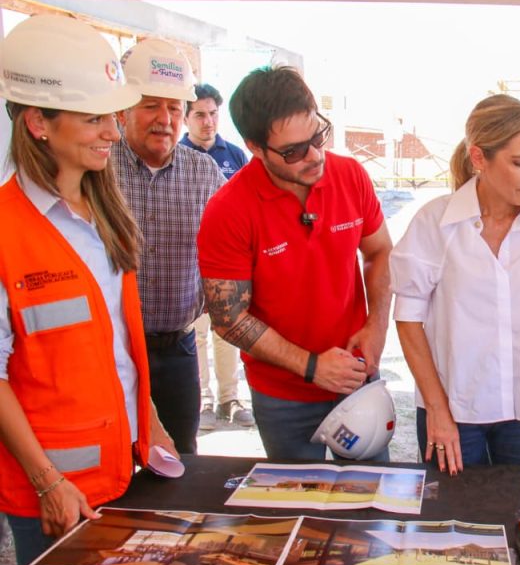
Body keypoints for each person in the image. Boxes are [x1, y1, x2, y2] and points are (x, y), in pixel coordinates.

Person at [0, 15, 176, 565]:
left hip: (127, 468)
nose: (112, 133)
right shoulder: (6, 230)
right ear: (38, 122)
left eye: (111, 117)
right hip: (58, 495)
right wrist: (48, 482)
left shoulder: (105, 216)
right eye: (95, 118)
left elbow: (117, 348)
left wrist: (152, 425)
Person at [198, 66, 393, 461]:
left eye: (318, 136)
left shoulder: (350, 176)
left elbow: (380, 252)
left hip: (356, 379)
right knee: (297, 496)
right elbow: (228, 318)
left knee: (373, 491)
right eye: (293, 151)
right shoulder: (228, 210)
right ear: (255, 147)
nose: (315, 156)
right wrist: (311, 366)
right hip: (283, 398)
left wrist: (376, 326)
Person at [391, 94, 520, 475]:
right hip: (453, 412)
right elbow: (408, 319)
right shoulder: (434, 223)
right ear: (479, 158)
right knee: (453, 509)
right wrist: (436, 407)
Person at [113, 39, 225, 455]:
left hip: (177, 350)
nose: (165, 119)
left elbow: (238, 241)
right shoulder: (98, 169)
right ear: (122, 111)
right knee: (116, 459)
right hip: (112, 352)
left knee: (182, 460)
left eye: (175, 108)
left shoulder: (203, 172)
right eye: (151, 106)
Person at [179, 83, 253, 430]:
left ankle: (229, 398)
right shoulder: (176, 155)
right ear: (186, 118)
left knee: (229, 331)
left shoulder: (235, 156)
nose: (207, 121)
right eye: (199, 115)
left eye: (212, 114)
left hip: (227, 264)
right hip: (189, 264)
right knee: (197, 334)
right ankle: (203, 399)